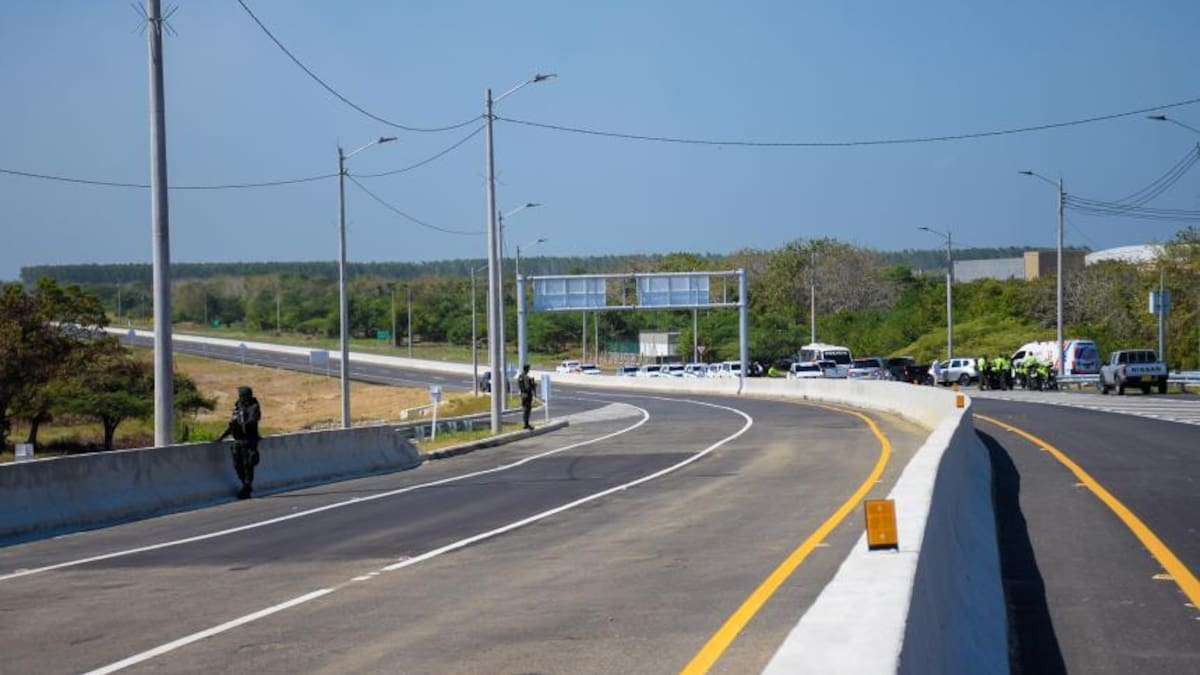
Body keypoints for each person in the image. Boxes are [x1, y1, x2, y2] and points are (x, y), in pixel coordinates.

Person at [218, 385, 262, 499]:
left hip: (249, 440)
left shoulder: (254, 407)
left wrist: (240, 424)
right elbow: (232, 424)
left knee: (248, 465)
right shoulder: (237, 407)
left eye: (242, 396)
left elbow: (252, 421)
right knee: (237, 465)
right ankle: (246, 484)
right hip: (238, 441)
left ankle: (246, 488)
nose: (240, 398)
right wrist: (222, 436)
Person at [517, 364, 536, 430]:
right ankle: (526, 424)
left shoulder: (520, 376)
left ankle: (526, 423)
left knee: (525, 409)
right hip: (527, 395)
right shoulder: (526, 377)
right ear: (527, 369)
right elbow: (527, 387)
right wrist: (533, 385)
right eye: (528, 369)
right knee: (527, 409)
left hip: (523, 394)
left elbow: (519, 385)